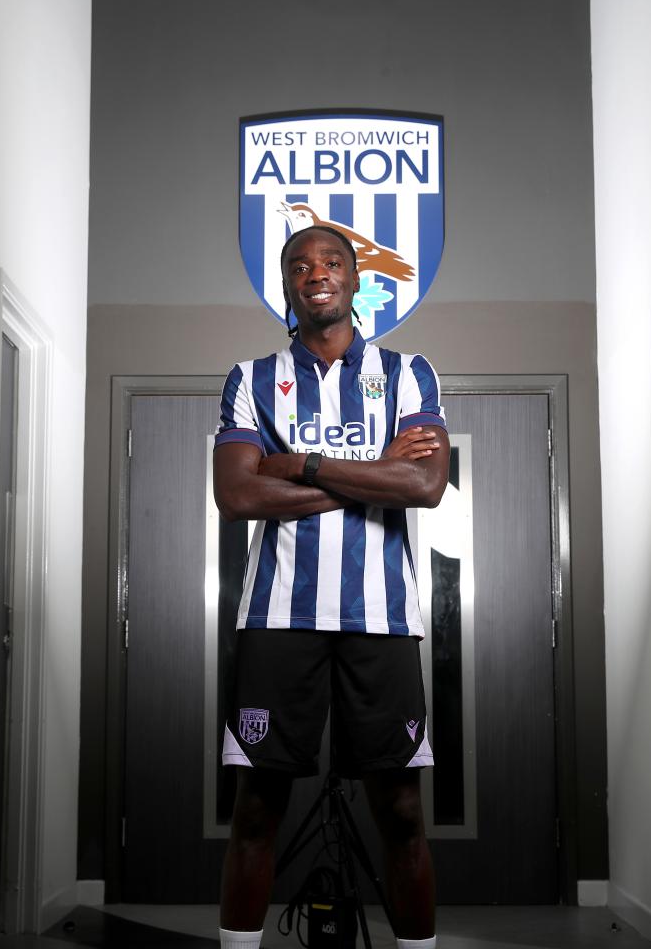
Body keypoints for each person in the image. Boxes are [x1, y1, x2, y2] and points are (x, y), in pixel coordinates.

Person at [213, 224, 450, 949]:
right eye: (300, 264)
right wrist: (373, 471)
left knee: (403, 814)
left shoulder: (409, 374)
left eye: (331, 262)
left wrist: (301, 464)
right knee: (256, 810)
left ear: (355, 280)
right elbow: (238, 497)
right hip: (276, 621)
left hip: (381, 624)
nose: (316, 272)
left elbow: (426, 484)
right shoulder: (252, 379)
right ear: (287, 285)